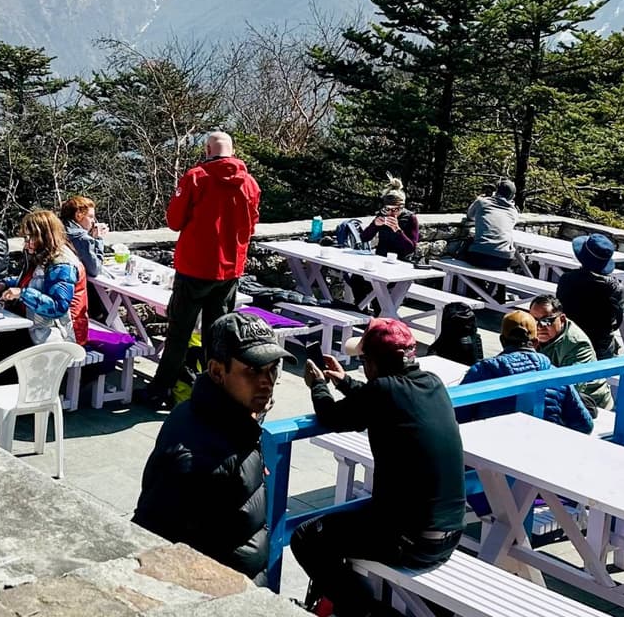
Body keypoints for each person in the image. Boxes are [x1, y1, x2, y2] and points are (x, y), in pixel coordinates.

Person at [295, 318, 464, 617]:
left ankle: (367, 612)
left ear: (375, 362)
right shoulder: (432, 383)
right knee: (344, 529)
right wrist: (345, 381)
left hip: (412, 543)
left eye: (364, 360)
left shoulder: (383, 392)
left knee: (307, 537)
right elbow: (381, 398)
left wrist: (318, 385)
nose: (364, 366)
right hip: (450, 535)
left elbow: (331, 416)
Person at [133, 312, 288, 585]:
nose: (267, 381)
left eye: (272, 368)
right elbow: (151, 541)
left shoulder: (236, 418)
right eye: (252, 371)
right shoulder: (195, 458)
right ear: (217, 371)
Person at [147, 131, 261, 408]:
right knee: (217, 336)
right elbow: (252, 224)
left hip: (195, 267)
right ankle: (214, 391)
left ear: (208, 149)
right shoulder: (249, 183)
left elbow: (174, 220)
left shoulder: (196, 177)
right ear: (232, 151)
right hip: (230, 270)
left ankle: (161, 390)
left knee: (179, 333)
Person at [461, 311, 594, 433]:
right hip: (543, 449)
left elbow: (457, 415)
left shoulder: (482, 371)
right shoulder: (555, 375)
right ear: (536, 342)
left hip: (492, 445)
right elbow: (585, 425)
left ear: (502, 340)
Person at [0, 208, 89, 346]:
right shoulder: (43, 255)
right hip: (37, 326)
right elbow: (37, 282)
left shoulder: (62, 265)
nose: (26, 243)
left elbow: (57, 307)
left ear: (44, 236)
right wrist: (6, 283)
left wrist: (22, 294)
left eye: (29, 237)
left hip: (63, 335)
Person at [527, 294, 611, 413]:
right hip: (551, 393)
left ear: (561, 319)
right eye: (534, 320)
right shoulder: (529, 330)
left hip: (590, 402)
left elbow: (571, 386)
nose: (539, 327)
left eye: (546, 321)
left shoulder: (578, 344)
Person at [553, 234, 623, 359]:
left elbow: (559, 311)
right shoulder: (615, 288)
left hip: (568, 342)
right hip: (601, 348)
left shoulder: (567, 279)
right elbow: (617, 322)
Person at [60, 195, 111, 321]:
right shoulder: (82, 238)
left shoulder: (59, 230)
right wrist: (98, 239)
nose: (93, 221)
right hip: (78, 294)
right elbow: (95, 270)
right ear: (78, 215)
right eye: (91, 217)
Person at [455, 179, 520, 271]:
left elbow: (470, 216)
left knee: (469, 243)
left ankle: (464, 283)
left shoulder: (482, 202)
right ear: (512, 196)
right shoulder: (513, 212)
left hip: (479, 256)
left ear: (496, 191)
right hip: (503, 259)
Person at [363, 177, 421, 261]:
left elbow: (411, 248)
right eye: (388, 209)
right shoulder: (382, 214)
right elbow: (364, 238)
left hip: (401, 261)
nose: (391, 213)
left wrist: (398, 230)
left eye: (396, 209)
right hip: (381, 258)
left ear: (402, 207)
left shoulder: (410, 218)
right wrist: (374, 225)